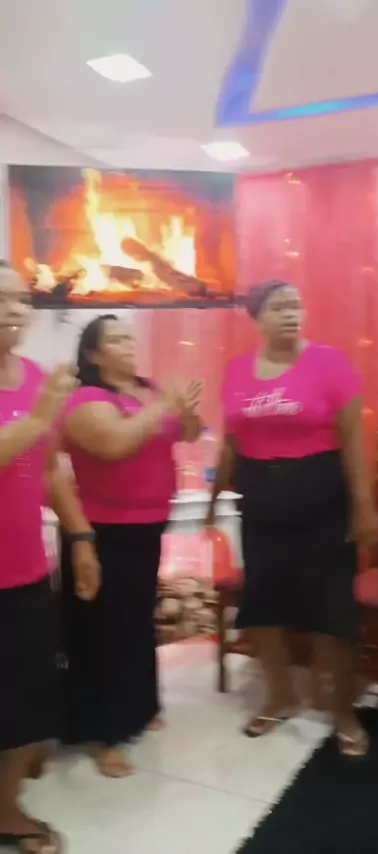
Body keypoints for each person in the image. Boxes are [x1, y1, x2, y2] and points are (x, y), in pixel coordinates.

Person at [207, 280, 378, 755]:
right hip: (261, 508)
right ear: (256, 318)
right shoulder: (237, 370)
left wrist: (365, 506)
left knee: (333, 612)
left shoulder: (330, 363)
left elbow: (353, 440)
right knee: (265, 608)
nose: (291, 314)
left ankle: (342, 710)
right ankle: (279, 697)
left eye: (296, 306)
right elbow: (231, 440)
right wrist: (212, 498)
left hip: (322, 505)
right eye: (279, 307)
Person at [60, 314, 202, 778]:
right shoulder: (85, 399)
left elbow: (188, 434)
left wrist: (186, 413)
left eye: (129, 336)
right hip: (101, 530)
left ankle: (140, 708)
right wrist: (164, 408)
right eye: (116, 339)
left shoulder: (149, 389)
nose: (129, 344)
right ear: (94, 354)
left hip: (147, 522)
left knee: (138, 621)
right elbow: (115, 444)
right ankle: (106, 735)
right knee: (104, 630)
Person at [0, 262, 100, 854]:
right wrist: (38, 418)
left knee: (26, 700)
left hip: (24, 571)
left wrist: (81, 536)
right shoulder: (42, 397)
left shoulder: (37, 377)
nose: (13, 310)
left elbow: (52, 468)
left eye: (20, 299)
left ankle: (7, 807)